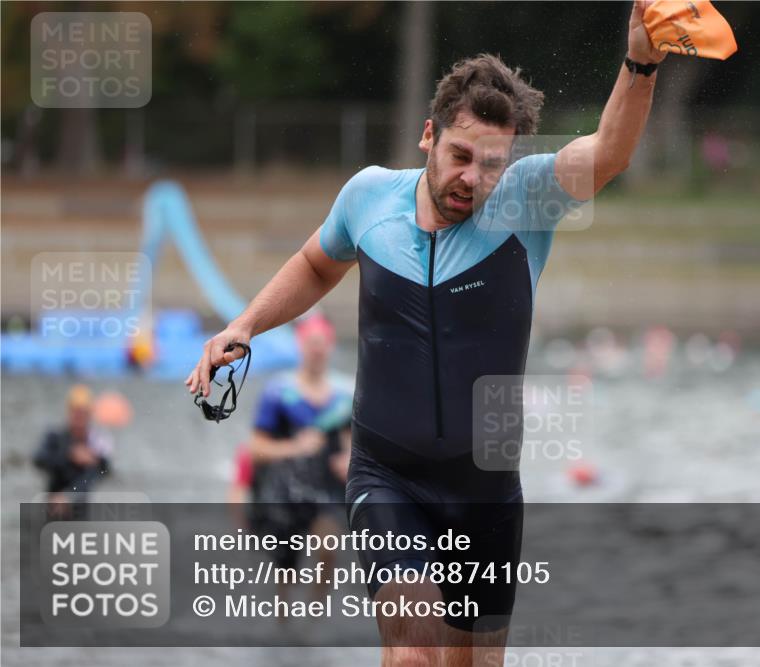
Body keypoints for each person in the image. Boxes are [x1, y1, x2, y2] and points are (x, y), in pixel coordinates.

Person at [187, 3, 666, 663]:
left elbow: (608, 153)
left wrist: (640, 61)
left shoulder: (525, 200)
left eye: (491, 163)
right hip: (388, 474)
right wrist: (243, 324)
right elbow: (315, 263)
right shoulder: (369, 198)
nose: (473, 178)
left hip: (485, 489)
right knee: (412, 650)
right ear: (428, 136)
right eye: (461, 155)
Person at [246, 314, 353, 607]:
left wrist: (349, 460)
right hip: (284, 489)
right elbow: (256, 448)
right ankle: (284, 618)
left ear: (331, 347)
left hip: (325, 489)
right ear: (300, 346)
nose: (317, 350)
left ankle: (316, 613)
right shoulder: (278, 393)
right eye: (311, 344)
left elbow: (350, 441)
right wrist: (295, 447)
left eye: (322, 344)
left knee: (328, 544)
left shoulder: (344, 396)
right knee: (286, 566)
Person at [33, 384, 113, 517]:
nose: (79, 417)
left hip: (79, 513)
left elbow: (99, 472)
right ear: (69, 412)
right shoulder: (55, 438)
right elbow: (38, 460)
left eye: (83, 413)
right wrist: (69, 455)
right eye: (76, 412)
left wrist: (69, 496)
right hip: (53, 508)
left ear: (90, 415)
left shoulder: (96, 443)